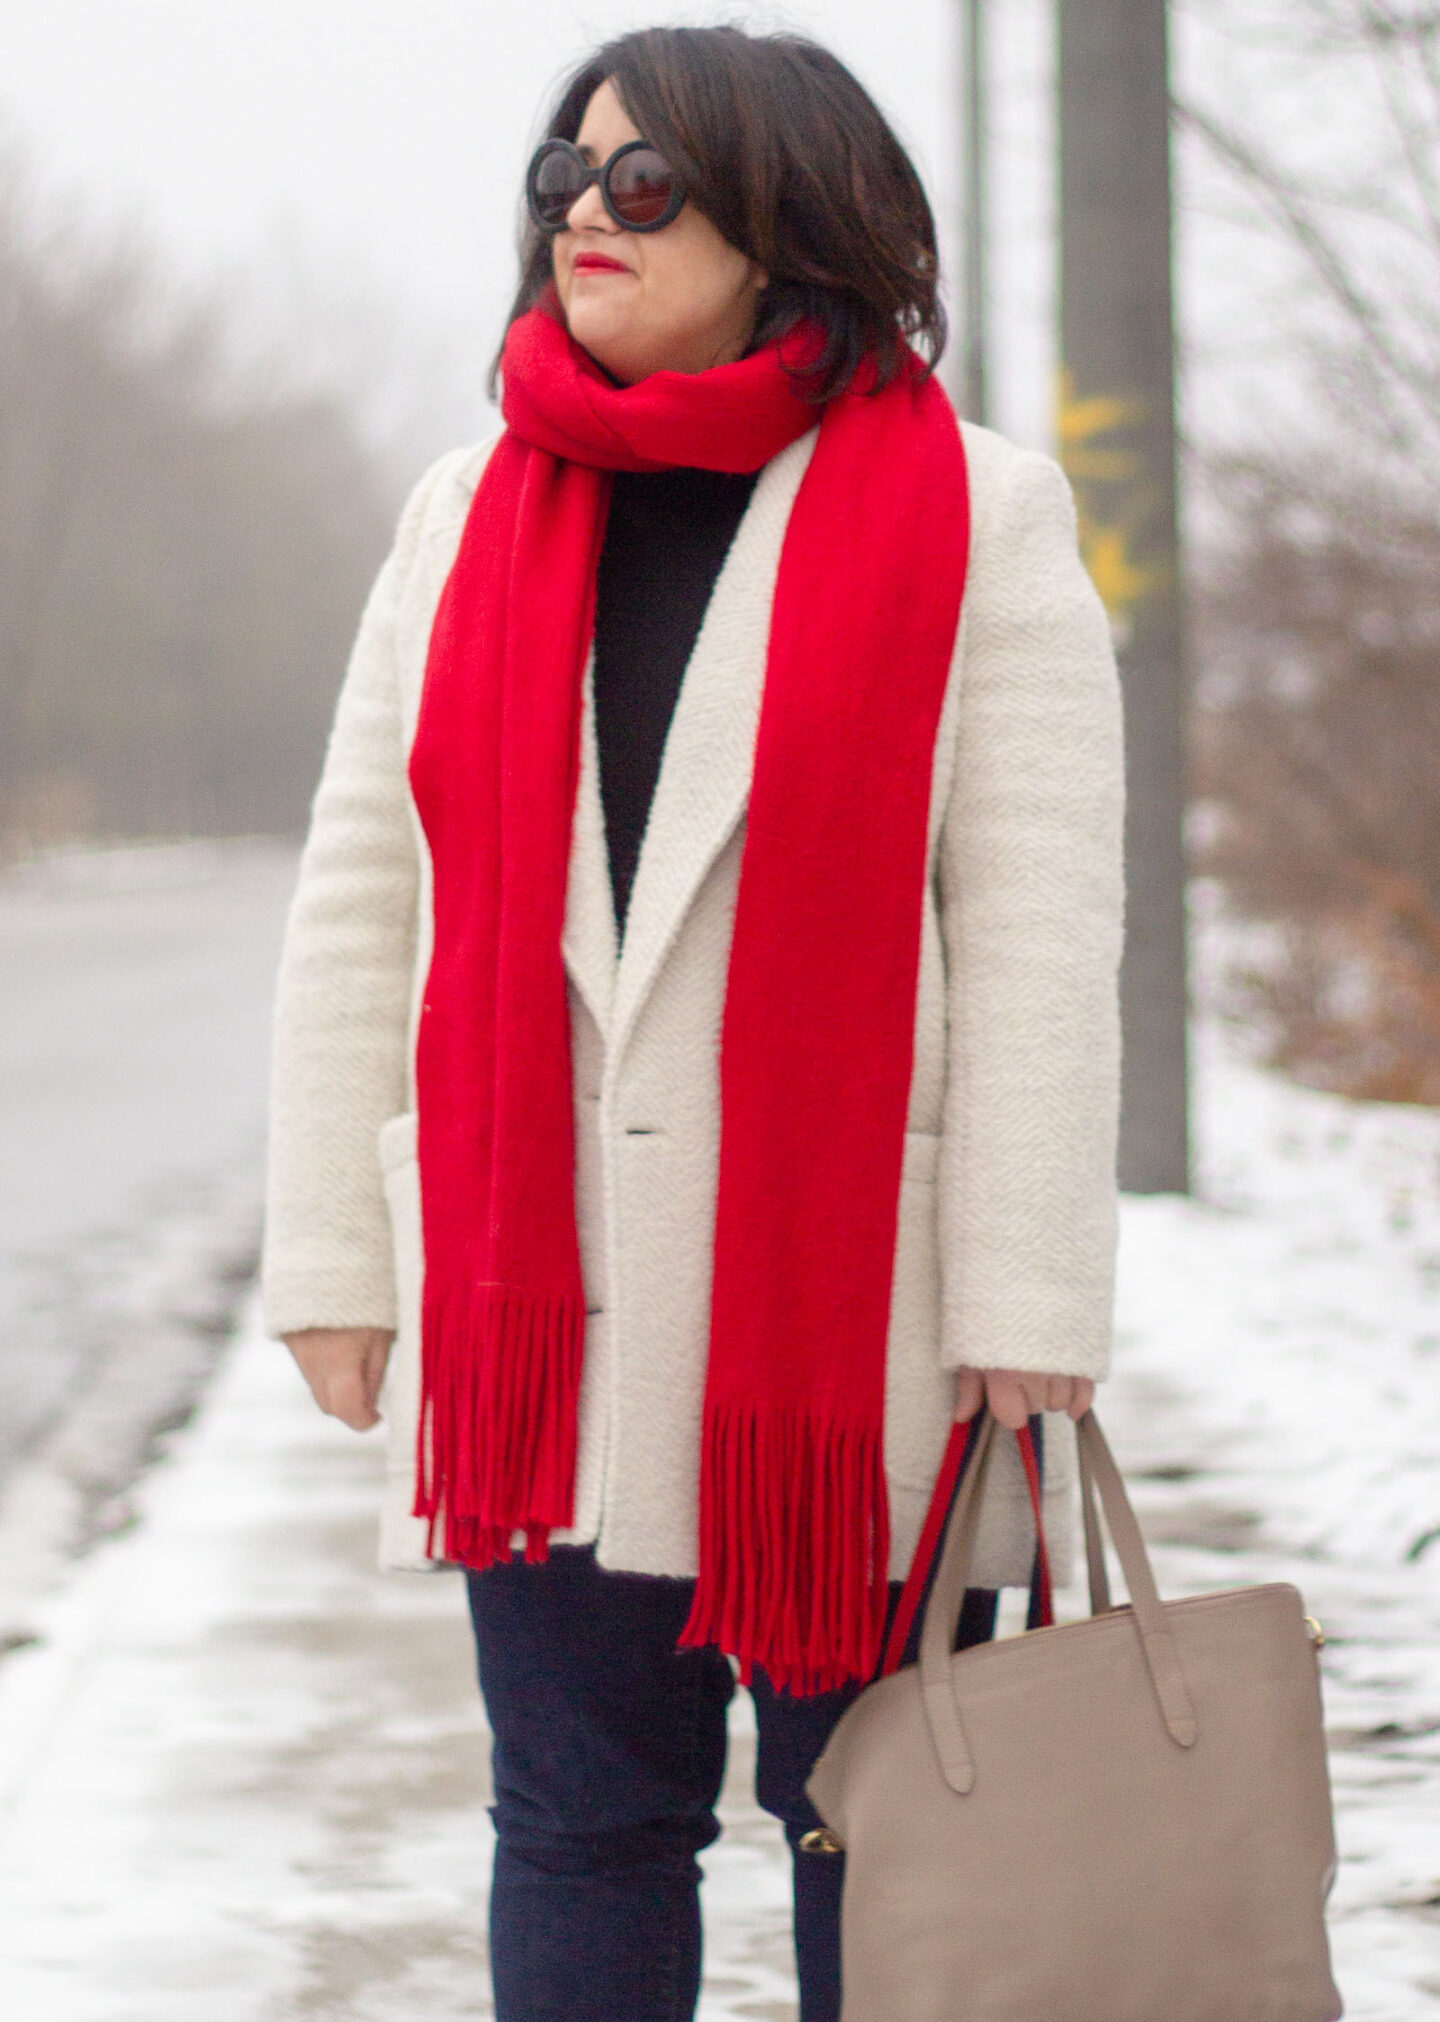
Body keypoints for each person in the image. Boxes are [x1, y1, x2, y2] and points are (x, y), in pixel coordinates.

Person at [262, 24, 1123, 2022]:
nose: (587, 213)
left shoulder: (974, 518)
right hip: (537, 1310)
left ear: (788, 219)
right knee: (577, 1829)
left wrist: (1030, 1300)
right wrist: (333, 1259)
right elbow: (358, 907)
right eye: (567, 174)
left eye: (644, 183)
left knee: (890, 1842)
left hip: (860, 1333)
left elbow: (1031, 933)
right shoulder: (465, 511)